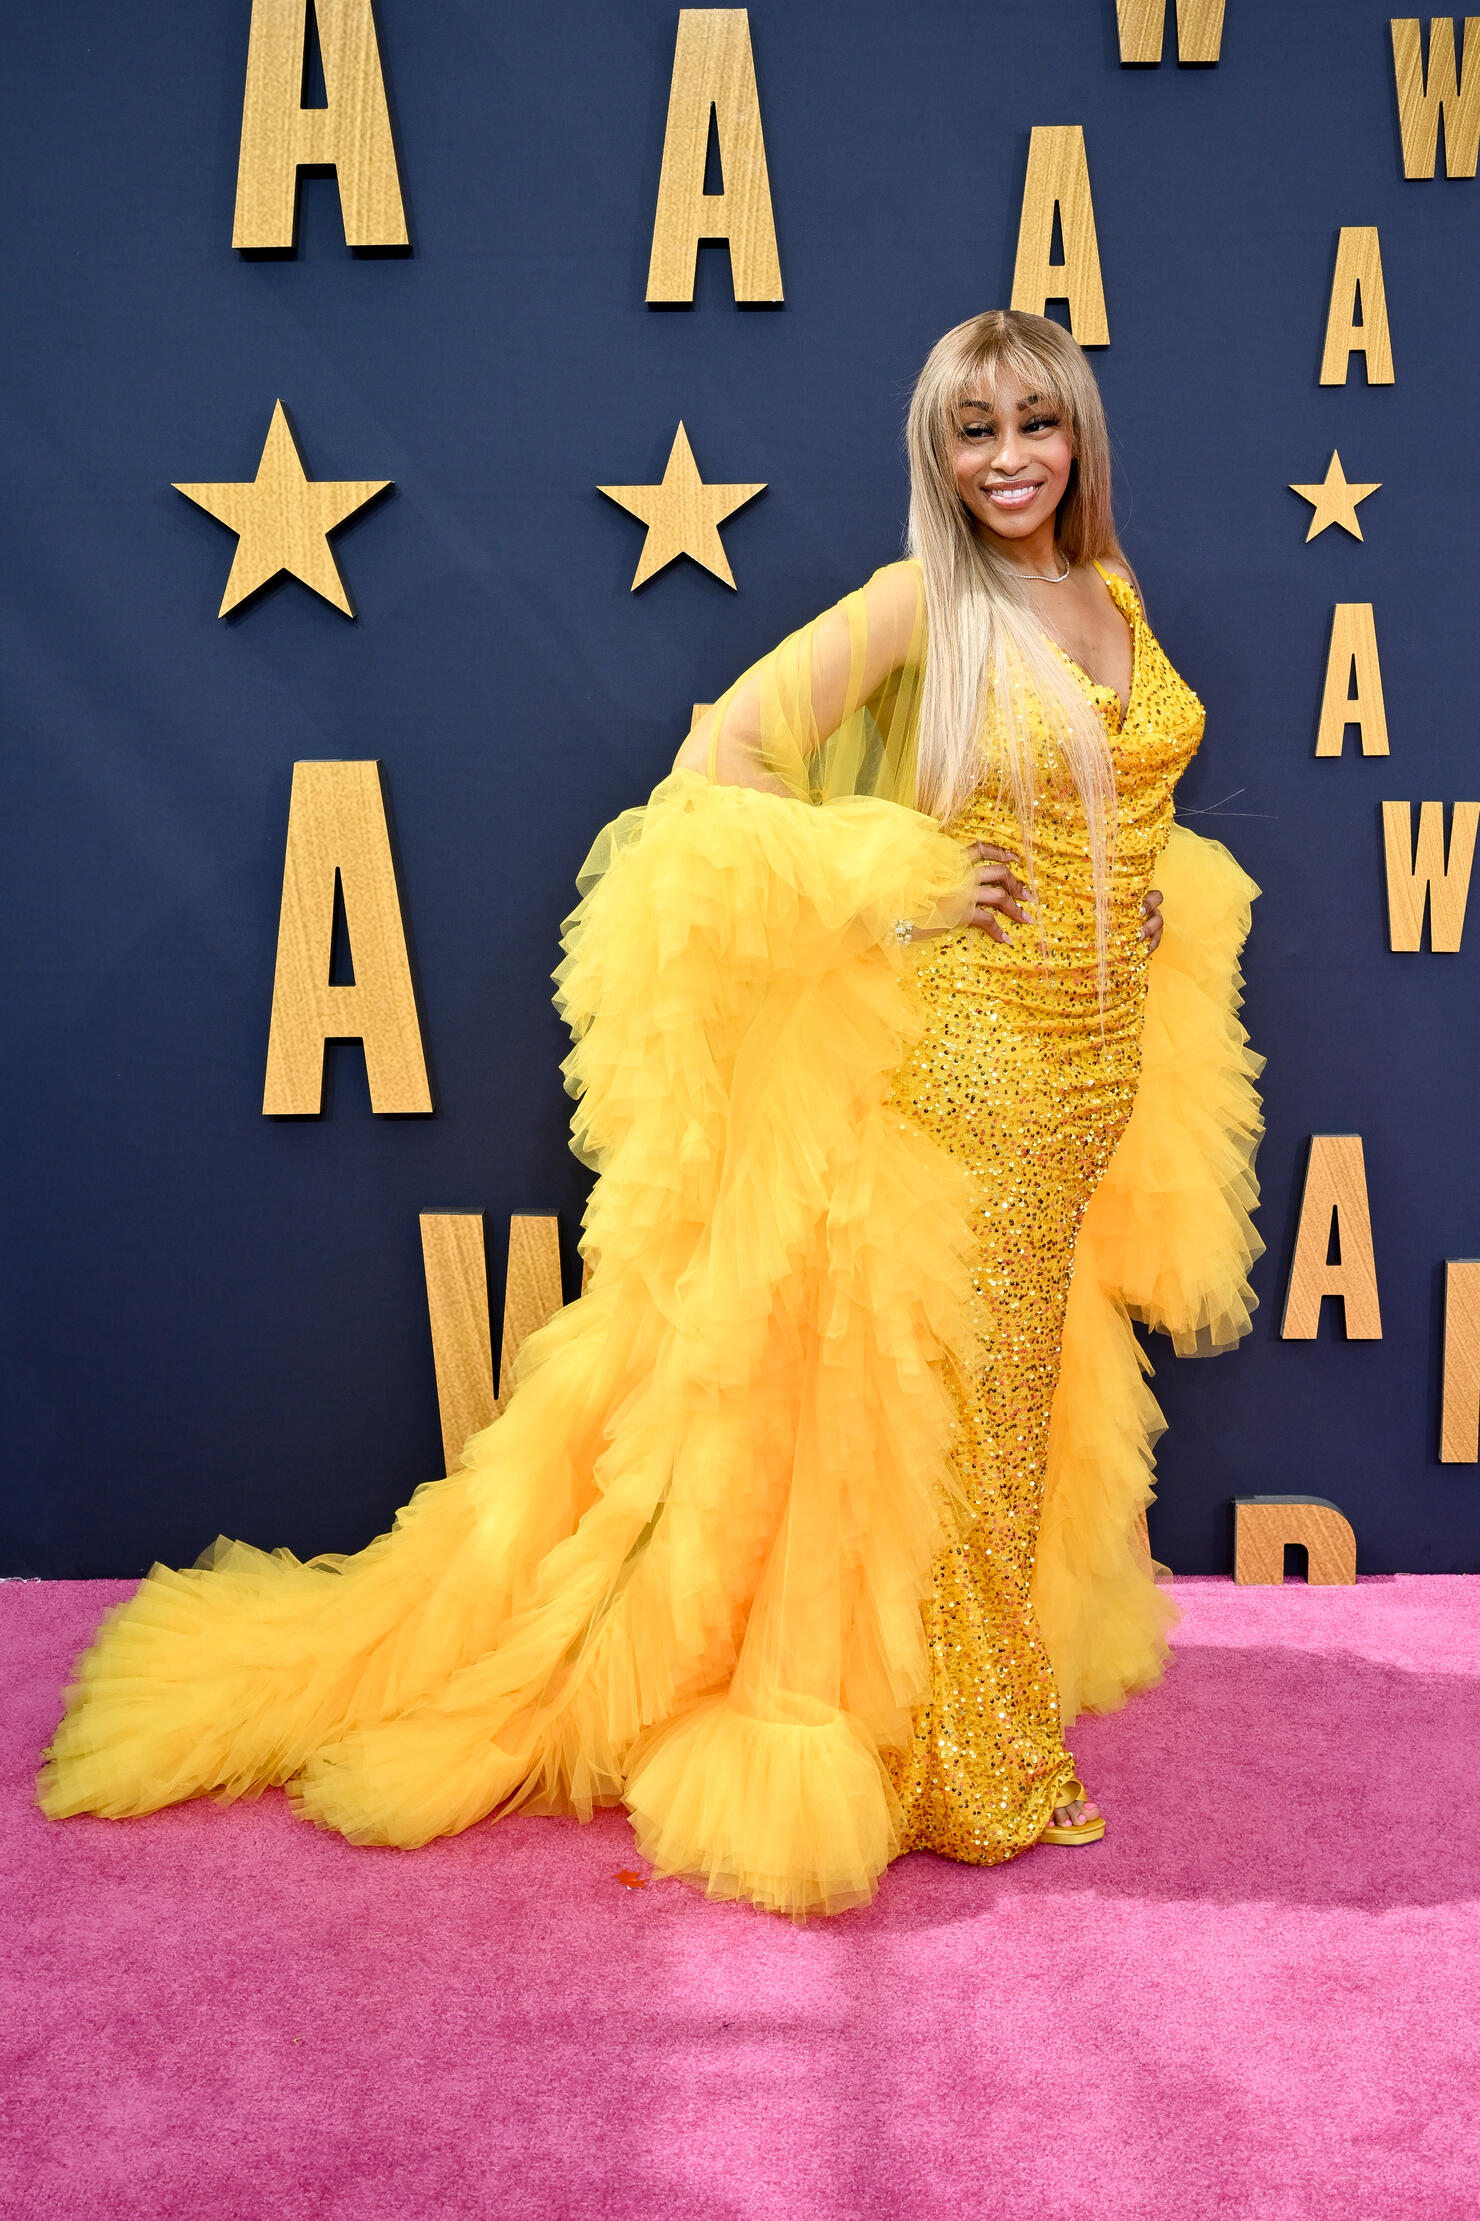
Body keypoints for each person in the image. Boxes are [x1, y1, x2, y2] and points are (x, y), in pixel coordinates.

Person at [38, 312, 1262, 1917]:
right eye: (975, 431)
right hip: (966, 1069)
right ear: (937, 456)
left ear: (1080, 432)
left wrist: (1132, 893)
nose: (1010, 456)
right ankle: (962, 1759)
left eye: (1037, 421)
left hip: (1088, 1072)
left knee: (1010, 1397)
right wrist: (892, 879)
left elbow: (1114, 789)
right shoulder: (922, 601)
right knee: (941, 1412)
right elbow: (728, 752)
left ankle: (973, 1699)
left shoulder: (1109, 593)